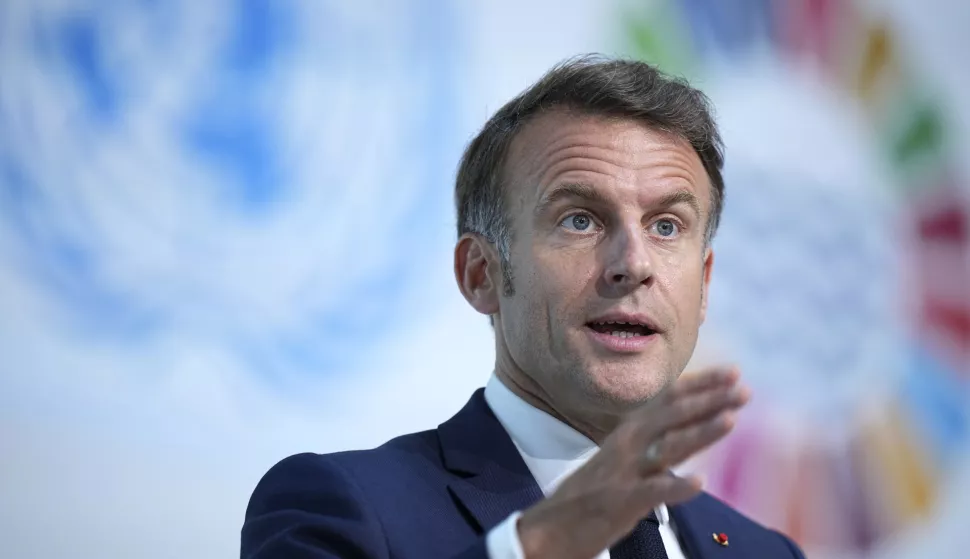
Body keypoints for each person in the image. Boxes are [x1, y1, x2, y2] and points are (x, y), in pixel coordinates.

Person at [241, 55, 806, 559]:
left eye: (666, 225)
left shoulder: (766, 551)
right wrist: (537, 548)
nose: (633, 263)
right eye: (578, 219)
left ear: (704, 285)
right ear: (481, 274)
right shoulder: (339, 507)